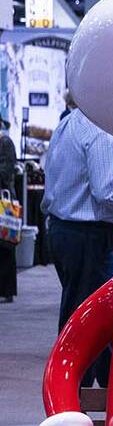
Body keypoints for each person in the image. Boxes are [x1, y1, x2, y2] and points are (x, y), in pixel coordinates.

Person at [42, 91, 113, 385]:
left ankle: (91, 393)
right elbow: (109, 194)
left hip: (66, 230)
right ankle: (80, 396)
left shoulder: (69, 123)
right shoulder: (102, 131)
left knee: (81, 316)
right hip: (93, 236)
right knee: (94, 323)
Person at [0, 118, 17, 302]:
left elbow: (6, 172)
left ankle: (7, 290)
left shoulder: (5, 142)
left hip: (4, 204)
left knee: (5, 246)